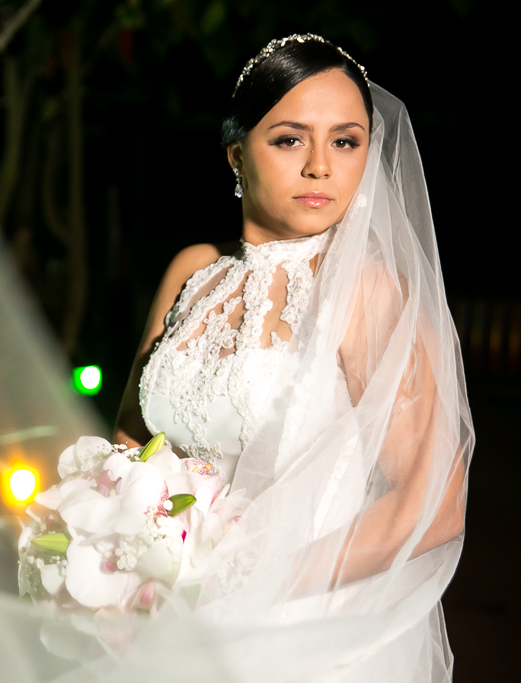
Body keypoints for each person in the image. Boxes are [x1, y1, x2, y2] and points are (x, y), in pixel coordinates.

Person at [110, 35, 472, 682]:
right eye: (288, 138)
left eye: (345, 140)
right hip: (166, 618)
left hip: (305, 630)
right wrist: (109, 551)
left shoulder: (363, 289)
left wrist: (246, 587)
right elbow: (130, 442)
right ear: (235, 153)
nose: (319, 166)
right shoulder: (194, 272)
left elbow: (434, 504)